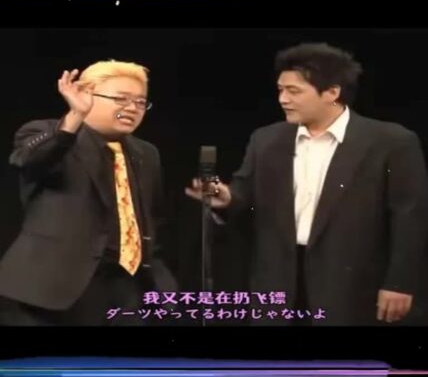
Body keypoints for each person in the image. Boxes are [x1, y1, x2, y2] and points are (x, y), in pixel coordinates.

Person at [186, 43, 428, 326]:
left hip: (353, 289)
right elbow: (244, 193)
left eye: (294, 91)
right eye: (280, 90)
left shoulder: (390, 142)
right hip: (279, 284)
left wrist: (399, 283)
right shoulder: (266, 140)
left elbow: (410, 219)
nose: (283, 99)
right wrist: (226, 197)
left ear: (332, 93)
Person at [0, 60, 177, 326]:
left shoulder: (146, 153)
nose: (132, 108)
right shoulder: (50, 133)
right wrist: (74, 117)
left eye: (141, 102)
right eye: (121, 99)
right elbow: (30, 160)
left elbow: (152, 217)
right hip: (53, 289)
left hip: (126, 289)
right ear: (85, 94)